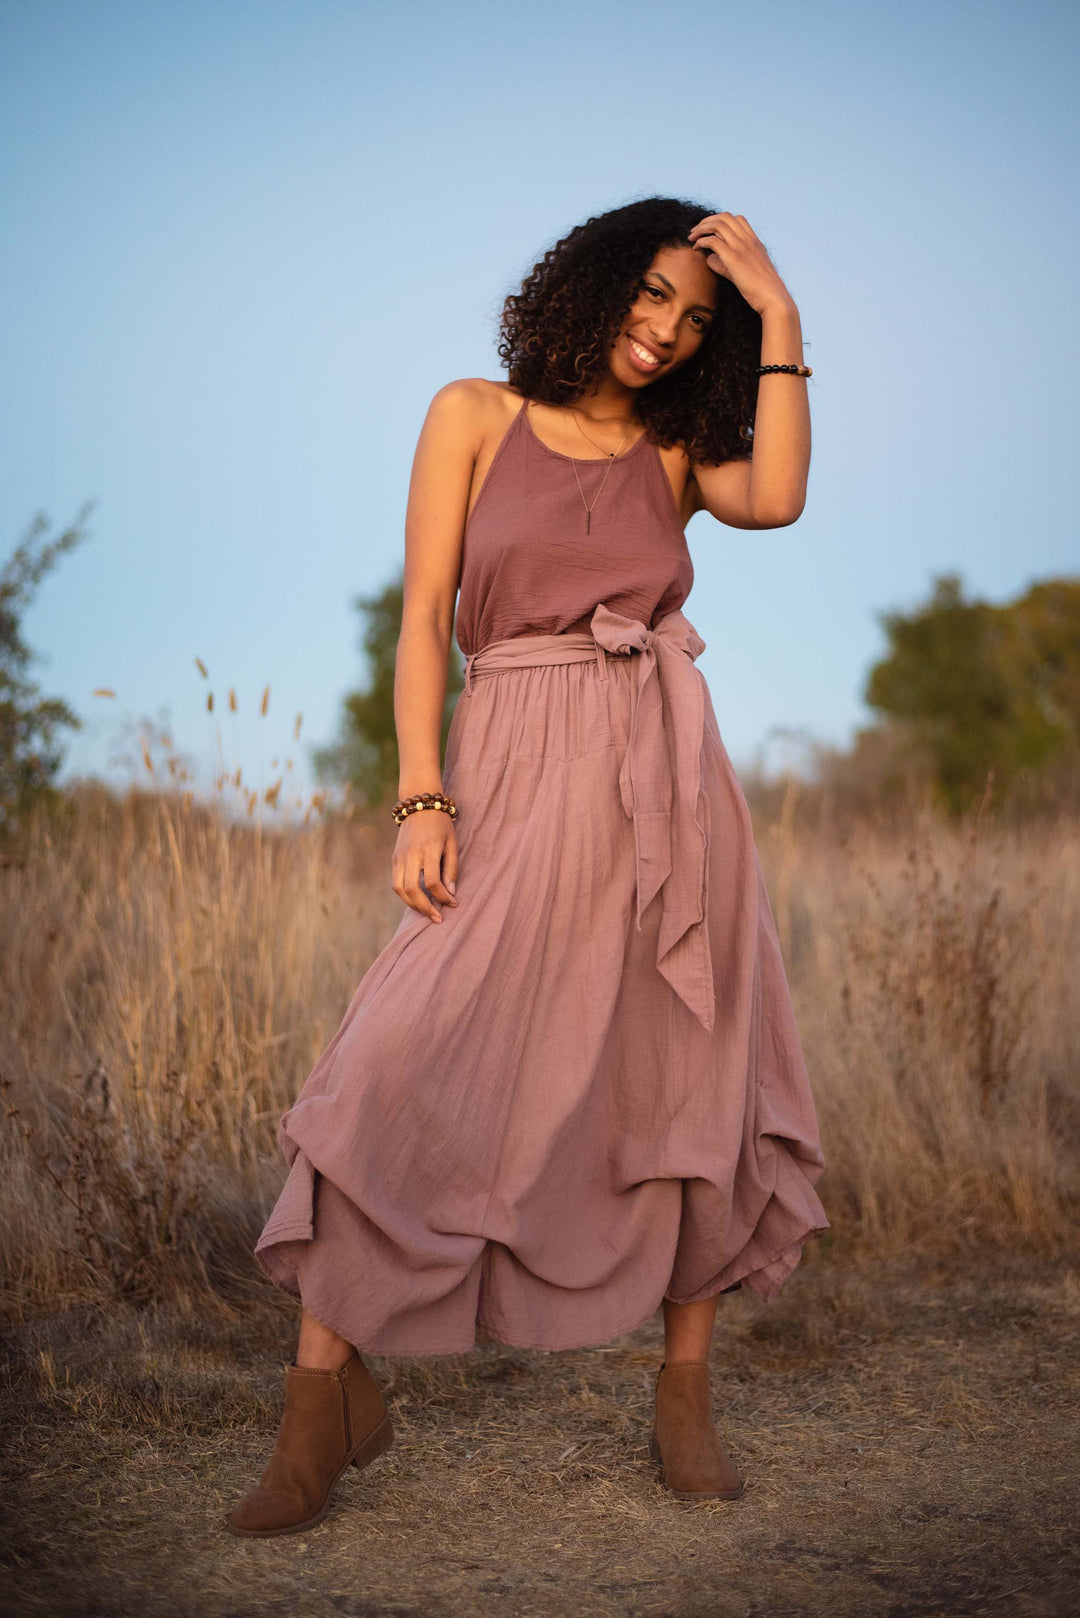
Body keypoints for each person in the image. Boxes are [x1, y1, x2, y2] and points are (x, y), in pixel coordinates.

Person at [226, 196, 829, 1536]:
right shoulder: (471, 416)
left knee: (684, 1073)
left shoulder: (678, 450)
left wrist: (778, 311)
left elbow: (777, 498)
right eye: (652, 295)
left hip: (667, 792)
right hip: (506, 765)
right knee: (394, 1057)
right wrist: (421, 794)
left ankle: (684, 1397)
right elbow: (422, 626)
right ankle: (321, 1401)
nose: (666, 332)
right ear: (598, 280)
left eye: (696, 319)